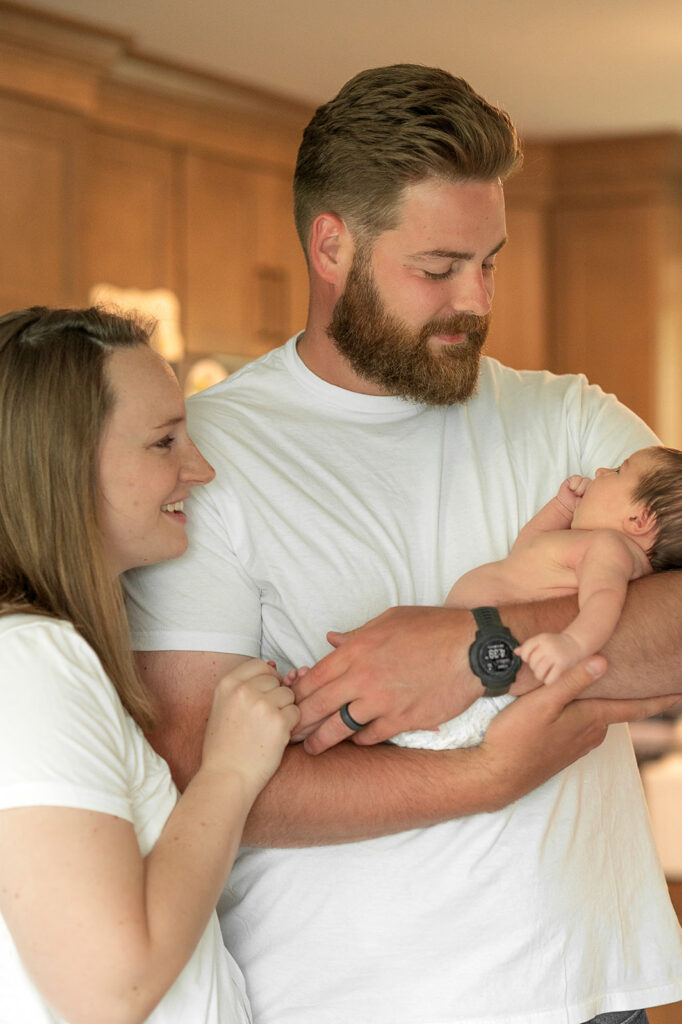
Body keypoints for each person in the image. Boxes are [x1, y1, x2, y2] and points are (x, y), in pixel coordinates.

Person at [125, 65, 682, 1024]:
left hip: (597, 990)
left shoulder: (569, 417)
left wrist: (474, 647)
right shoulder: (203, 457)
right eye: (437, 268)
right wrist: (484, 774)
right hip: (348, 1002)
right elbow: (205, 777)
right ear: (332, 244)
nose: (475, 298)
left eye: (491, 261)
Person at [0, 306, 299, 1023]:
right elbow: (110, 990)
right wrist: (228, 771)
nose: (201, 469)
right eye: (164, 442)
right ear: (61, 463)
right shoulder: (28, 663)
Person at [391, 446, 682, 750]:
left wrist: (573, 643)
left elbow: (604, 600)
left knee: (404, 720)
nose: (600, 472)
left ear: (639, 519)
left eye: (619, 471)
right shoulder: (590, 544)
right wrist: (562, 507)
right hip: (470, 671)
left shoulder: (608, 549)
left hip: (490, 689)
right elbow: (527, 548)